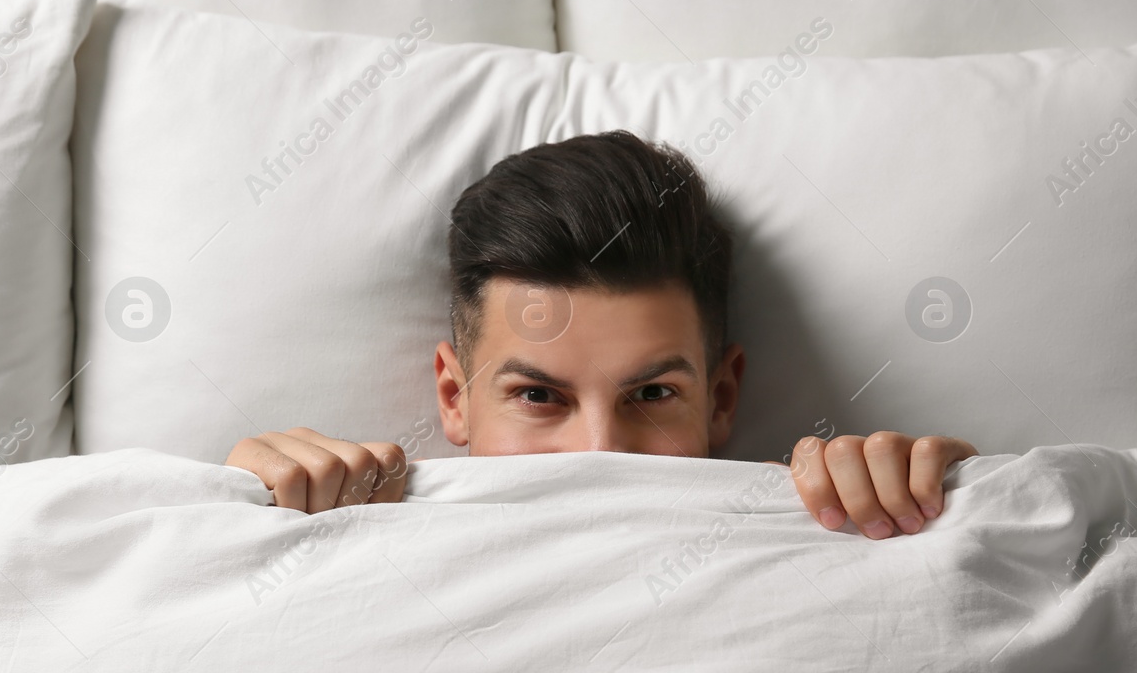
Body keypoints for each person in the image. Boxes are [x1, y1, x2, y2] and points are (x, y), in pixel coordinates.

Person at [225, 131, 976, 540]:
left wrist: (954, 504)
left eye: (652, 392)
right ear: (454, 397)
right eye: (538, 395)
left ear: (721, 398)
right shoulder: (345, 532)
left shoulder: (833, 528)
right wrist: (231, 515)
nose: (600, 452)